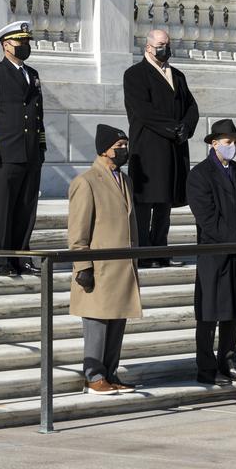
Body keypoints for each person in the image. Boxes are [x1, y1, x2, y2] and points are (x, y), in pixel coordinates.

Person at [68, 125, 143, 395]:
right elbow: (78, 231)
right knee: (97, 325)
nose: (124, 150)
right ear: (104, 148)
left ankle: (110, 373)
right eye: (119, 145)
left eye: (125, 144)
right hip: (99, 268)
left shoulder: (124, 179)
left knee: (117, 324)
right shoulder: (86, 181)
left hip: (122, 266)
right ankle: (94, 376)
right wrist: (83, 265)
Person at [187, 119, 236, 386]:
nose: (232, 146)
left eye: (235, 141)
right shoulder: (200, 174)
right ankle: (205, 367)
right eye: (228, 142)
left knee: (233, 311)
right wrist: (233, 239)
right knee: (209, 312)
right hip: (214, 251)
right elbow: (206, 216)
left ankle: (229, 360)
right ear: (214, 143)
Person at [0, 20, 44, 277]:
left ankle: (22, 256)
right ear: (6, 45)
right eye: (20, 42)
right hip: (5, 153)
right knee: (3, 209)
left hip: (30, 153)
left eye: (27, 42)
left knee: (26, 208)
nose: (25, 46)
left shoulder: (32, 74)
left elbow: (38, 115)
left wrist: (41, 147)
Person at [123, 28, 198, 268]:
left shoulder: (177, 75)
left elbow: (191, 106)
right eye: (161, 44)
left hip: (173, 148)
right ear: (148, 47)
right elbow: (143, 111)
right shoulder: (135, 74)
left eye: (167, 43)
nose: (165, 48)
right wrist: (172, 128)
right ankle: (144, 253)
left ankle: (160, 250)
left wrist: (185, 127)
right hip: (148, 149)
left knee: (164, 203)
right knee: (146, 204)